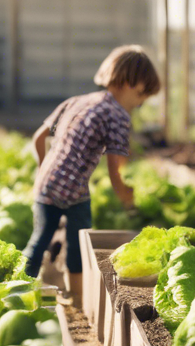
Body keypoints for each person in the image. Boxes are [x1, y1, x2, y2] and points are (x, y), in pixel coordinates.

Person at [23, 45, 160, 304]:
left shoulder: (78, 100)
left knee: (39, 241)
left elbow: (39, 137)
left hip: (46, 185)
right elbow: (114, 169)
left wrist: (44, 169)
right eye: (142, 97)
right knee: (79, 247)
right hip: (74, 193)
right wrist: (127, 199)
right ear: (134, 84)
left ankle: (16, 292)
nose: (139, 104)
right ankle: (77, 298)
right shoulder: (118, 115)